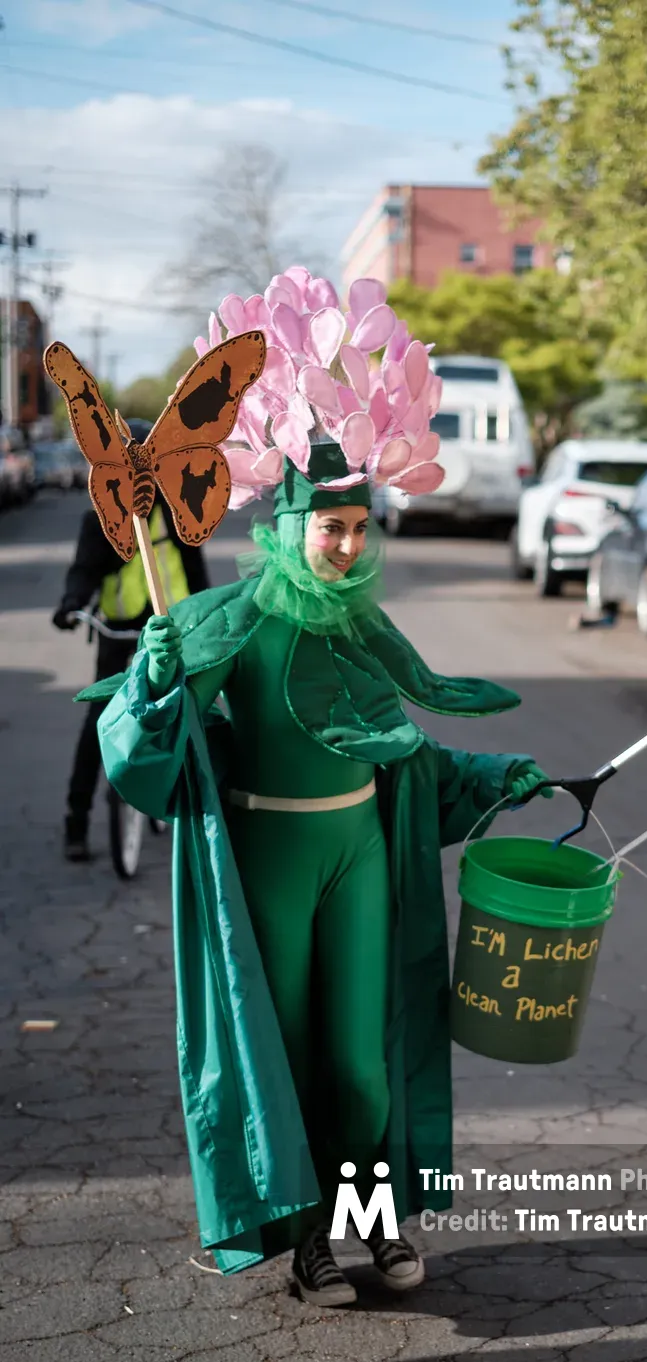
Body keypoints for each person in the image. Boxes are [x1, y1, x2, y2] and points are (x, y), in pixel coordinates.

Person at [80, 443, 553, 1306]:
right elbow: (149, 753)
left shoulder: (362, 622)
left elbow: (402, 748)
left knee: (361, 1064)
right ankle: (309, 1245)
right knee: (289, 1058)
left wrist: (490, 778)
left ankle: (375, 1219)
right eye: (331, 527)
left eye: (360, 529)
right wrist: (151, 681)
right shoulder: (235, 619)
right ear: (289, 527)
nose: (347, 546)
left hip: (360, 854)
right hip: (272, 857)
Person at [52, 418, 209, 862]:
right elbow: (83, 570)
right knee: (98, 720)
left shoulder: (176, 513)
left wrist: (210, 614)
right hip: (119, 629)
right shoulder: (99, 519)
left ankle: (186, 803)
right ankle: (75, 820)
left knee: (185, 712)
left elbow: (195, 573)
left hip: (171, 630)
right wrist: (70, 603)